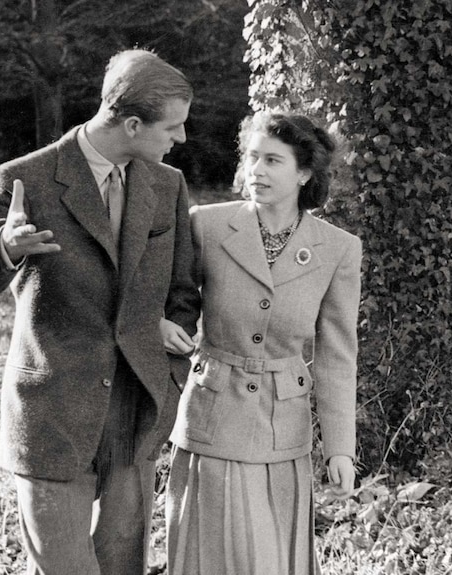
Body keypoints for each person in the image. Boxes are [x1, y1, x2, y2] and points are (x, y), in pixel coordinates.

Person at [0, 49, 201, 575]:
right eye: (173, 127)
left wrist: (170, 353)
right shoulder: (24, 179)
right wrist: (8, 248)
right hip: (53, 416)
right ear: (133, 124)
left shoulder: (166, 185)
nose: (180, 139)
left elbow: (182, 292)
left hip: (136, 415)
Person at [161, 110, 362, 575]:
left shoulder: (338, 249)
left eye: (273, 160)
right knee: (208, 556)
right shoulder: (206, 225)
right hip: (211, 418)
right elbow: (175, 304)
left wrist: (339, 448)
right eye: (252, 158)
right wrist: (162, 325)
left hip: (281, 430)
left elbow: (337, 355)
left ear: (304, 173)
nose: (256, 171)